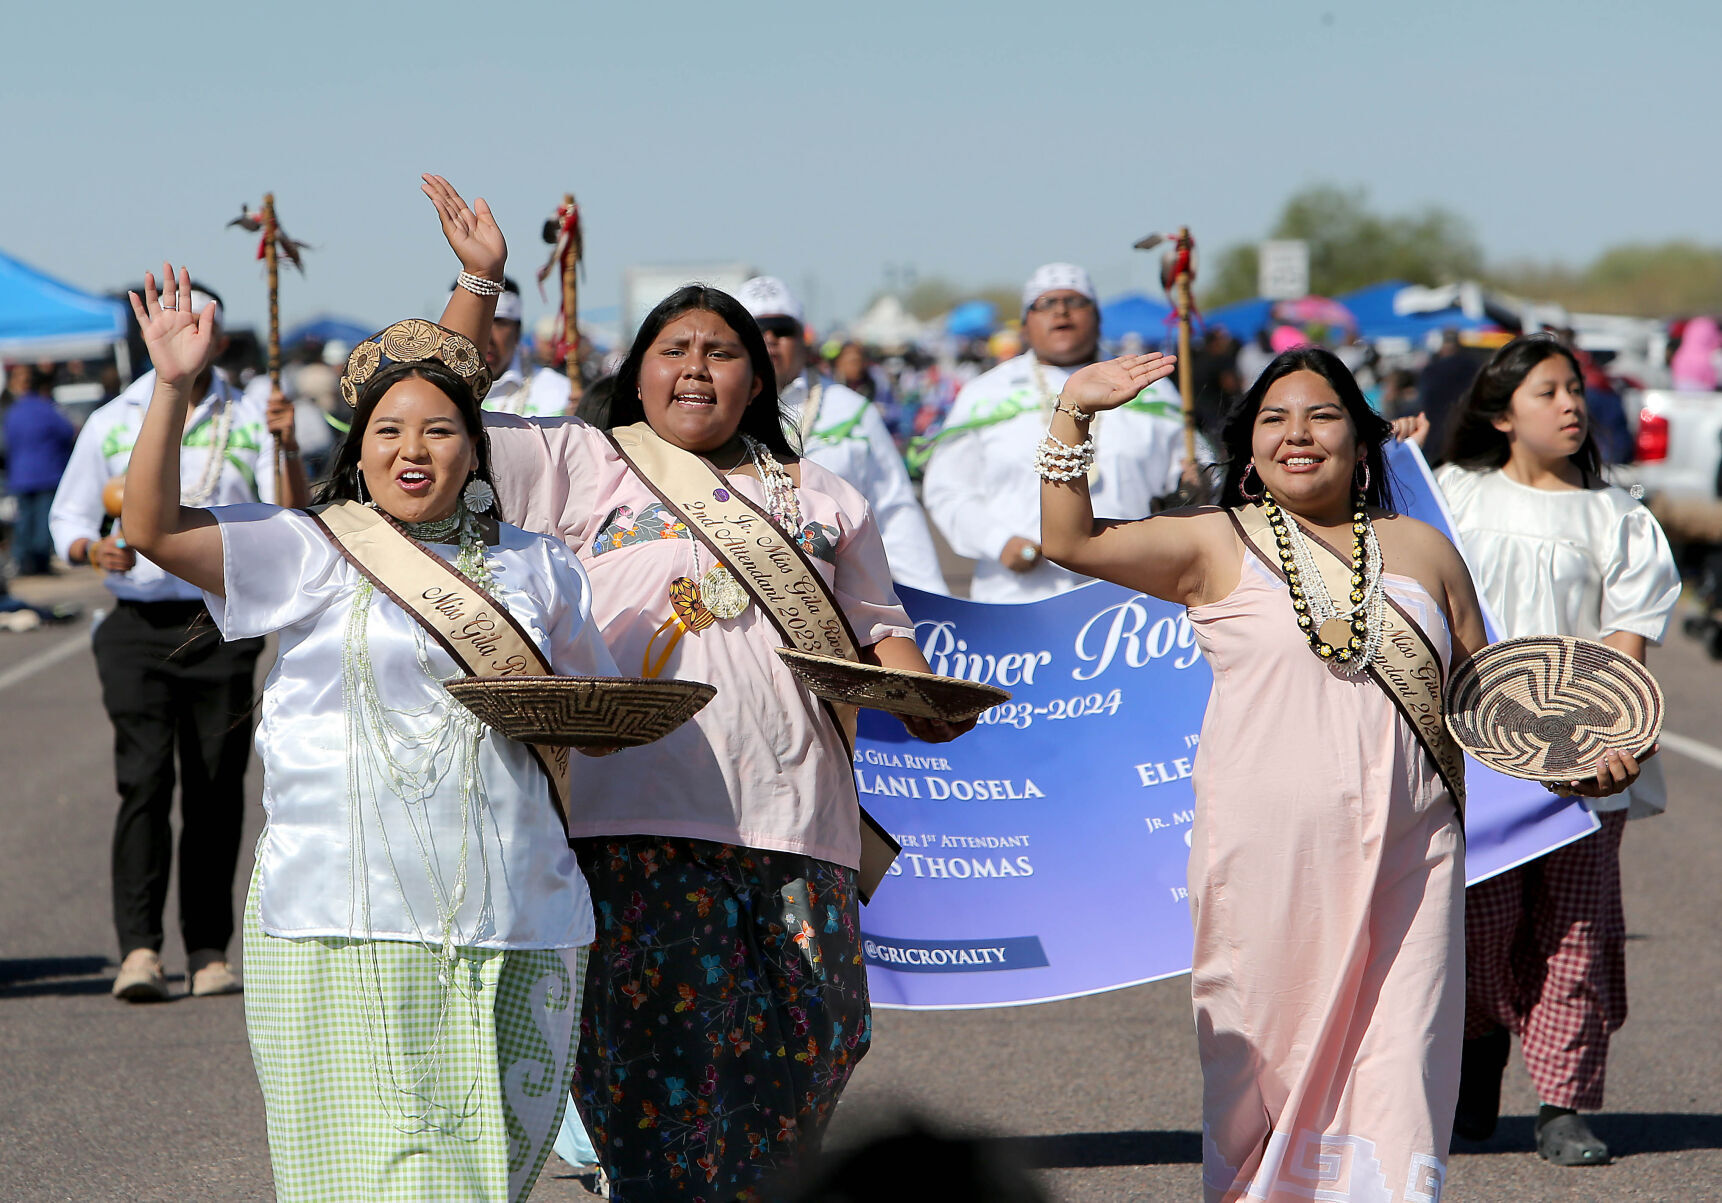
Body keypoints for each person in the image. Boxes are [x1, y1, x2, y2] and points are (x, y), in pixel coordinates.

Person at [458, 264, 976, 1197]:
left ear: (758, 378)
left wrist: (926, 703)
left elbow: (882, 630)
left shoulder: (823, 497)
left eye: (722, 351)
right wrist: (480, 281)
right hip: (633, 827)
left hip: (799, 824)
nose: (697, 367)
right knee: (652, 1082)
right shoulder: (581, 461)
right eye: (675, 349)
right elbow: (440, 410)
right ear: (639, 370)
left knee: (813, 1055)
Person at [120, 253, 620, 1200]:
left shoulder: (542, 566)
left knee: (480, 1181)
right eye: (387, 430)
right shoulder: (310, 546)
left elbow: (587, 710)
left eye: (439, 428)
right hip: (341, 913)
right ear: (359, 447)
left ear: (476, 448)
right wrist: (172, 386)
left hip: (512, 910)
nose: (412, 448)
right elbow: (148, 525)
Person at [1041, 346, 1487, 1200]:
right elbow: (1072, 538)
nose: (1299, 434)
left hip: (1411, 853)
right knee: (1269, 1067)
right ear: (1248, 449)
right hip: (1265, 861)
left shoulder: (1425, 551)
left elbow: (1491, 705)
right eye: (1275, 419)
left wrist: (1582, 763)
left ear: (1363, 441)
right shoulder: (1216, 542)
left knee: (1398, 1062)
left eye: (1322, 415)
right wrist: (1075, 411)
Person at [1399, 333, 1679, 1167]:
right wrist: (1395, 459)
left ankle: (1566, 1101)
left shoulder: (1618, 515)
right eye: (1547, 391)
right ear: (1499, 414)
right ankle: (1478, 1054)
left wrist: (1608, 738)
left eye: (1574, 390)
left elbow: (1624, 644)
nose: (1569, 405)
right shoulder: (1447, 498)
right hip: (1473, 758)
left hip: (1586, 765)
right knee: (1475, 932)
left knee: (1577, 932)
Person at [49, 281, 309, 1002]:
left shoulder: (257, 415)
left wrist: (288, 444)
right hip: (134, 629)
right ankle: (138, 949)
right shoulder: (113, 419)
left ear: (221, 340)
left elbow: (286, 515)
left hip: (218, 626)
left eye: (209, 325)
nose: (199, 334)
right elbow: (70, 513)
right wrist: (86, 548)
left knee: (216, 786)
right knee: (144, 781)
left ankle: (207, 949)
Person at [921, 263, 1187, 602]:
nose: (1061, 311)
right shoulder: (984, 395)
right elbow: (948, 490)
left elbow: (1192, 471)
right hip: (1019, 597)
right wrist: (999, 542)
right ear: (1026, 323)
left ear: (1097, 316)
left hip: (1131, 596)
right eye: (1045, 303)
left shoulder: (1149, 388)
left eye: (1075, 302)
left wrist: (1195, 483)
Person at [737, 275, 948, 594]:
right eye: (757, 329)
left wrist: (934, 600)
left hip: (844, 598)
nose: (770, 339)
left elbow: (893, 509)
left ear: (803, 336)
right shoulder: (716, 414)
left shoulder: (851, 411)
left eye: (782, 329)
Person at [4, 364, 76, 574]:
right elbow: (68, 433)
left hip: (19, 475)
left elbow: (7, 442)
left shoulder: (13, 412)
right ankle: (40, 565)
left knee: (24, 522)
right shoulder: (48, 409)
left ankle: (21, 563)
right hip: (47, 473)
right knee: (43, 522)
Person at [474, 277, 575, 417]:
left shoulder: (560, 394)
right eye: (477, 323)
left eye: (499, 322)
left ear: (517, 331)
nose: (487, 338)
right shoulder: (436, 392)